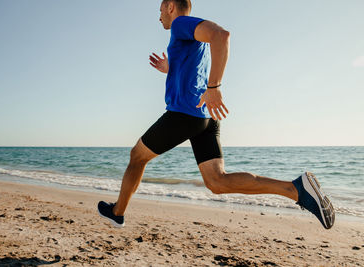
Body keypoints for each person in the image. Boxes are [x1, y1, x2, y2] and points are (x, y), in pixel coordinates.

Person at [98, 0, 335, 230]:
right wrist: (169, 68)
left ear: (171, 7)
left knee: (137, 156)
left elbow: (221, 35)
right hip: (204, 117)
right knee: (217, 182)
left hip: (184, 114)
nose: (159, 16)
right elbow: (193, 67)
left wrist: (214, 87)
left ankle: (117, 213)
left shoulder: (181, 24)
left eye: (160, 10)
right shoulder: (187, 36)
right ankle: (297, 190)